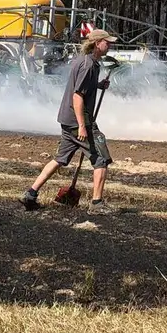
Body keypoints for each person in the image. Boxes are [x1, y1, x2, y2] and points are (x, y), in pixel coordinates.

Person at [20, 29, 119, 214]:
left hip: (67, 119)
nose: (110, 45)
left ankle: (30, 194)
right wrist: (82, 126)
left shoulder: (87, 61)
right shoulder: (88, 65)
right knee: (101, 159)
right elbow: (77, 96)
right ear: (97, 43)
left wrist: (98, 85)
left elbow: (81, 86)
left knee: (60, 159)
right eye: (107, 42)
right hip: (79, 121)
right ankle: (97, 204)